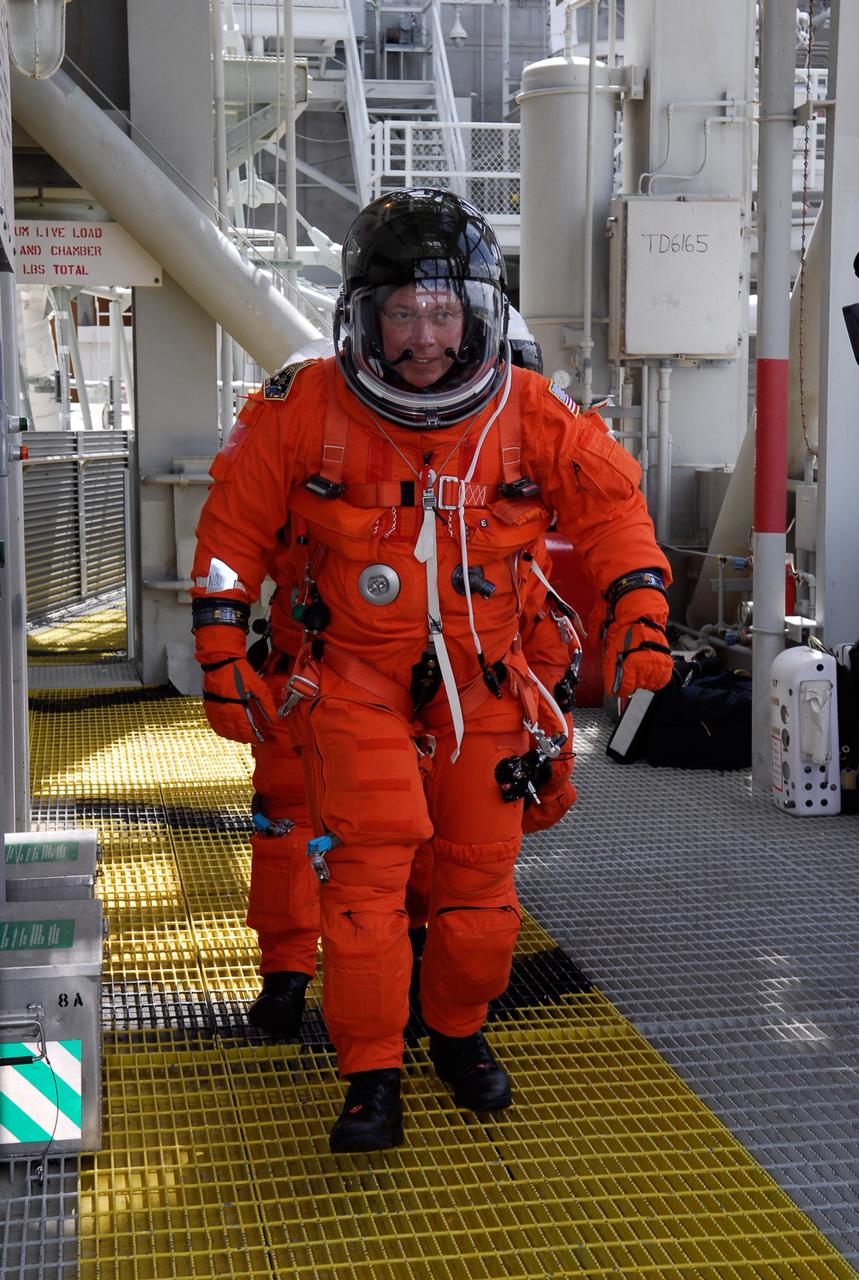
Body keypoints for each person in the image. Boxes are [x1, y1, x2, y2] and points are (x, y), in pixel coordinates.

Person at [192, 187, 673, 1154]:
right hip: (352, 678)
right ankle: (370, 1073)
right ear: (364, 318)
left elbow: (615, 516)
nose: (424, 336)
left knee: (479, 890)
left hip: (484, 683)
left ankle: (457, 1033)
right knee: (366, 887)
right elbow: (230, 536)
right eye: (403, 312)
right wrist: (217, 652)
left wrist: (641, 614)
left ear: (479, 315)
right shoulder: (303, 408)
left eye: (444, 311)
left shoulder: (530, 413)